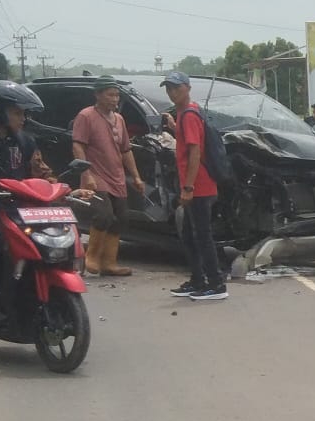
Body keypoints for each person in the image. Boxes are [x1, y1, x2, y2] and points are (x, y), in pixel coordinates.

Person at [0, 80, 92, 317]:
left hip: (22, 212)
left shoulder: (25, 141)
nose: (22, 118)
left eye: (24, 113)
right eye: (17, 113)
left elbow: (42, 172)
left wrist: (66, 190)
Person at [161, 71, 226, 302]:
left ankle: (216, 284)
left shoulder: (188, 115)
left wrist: (188, 188)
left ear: (187, 88)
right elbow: (189, 139)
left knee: (201, 236)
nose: (172, 92)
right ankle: (198, 280)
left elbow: (195, 152)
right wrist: (173, 126)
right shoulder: (190, 111)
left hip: (198, 186)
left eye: (176, 88)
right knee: (190, 235)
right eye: (168, 88)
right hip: (198, 184)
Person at [72, 76, 146, 277]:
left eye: (117, 95)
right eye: (110, 95)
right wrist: (86, 173)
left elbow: (126, 150)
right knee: (104, 215)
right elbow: (78, 144)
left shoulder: (119, 119)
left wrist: (136, 176)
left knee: (121, 218)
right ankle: (92, 257)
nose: (115, 99)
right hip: (96, 175)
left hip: (117, 176)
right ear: (98, 95)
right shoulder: (86, 116)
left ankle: (109, 262)